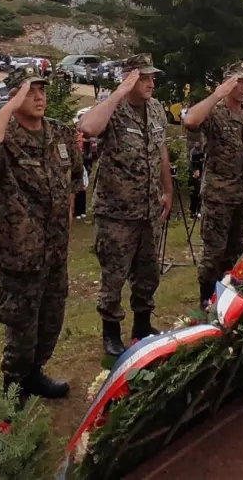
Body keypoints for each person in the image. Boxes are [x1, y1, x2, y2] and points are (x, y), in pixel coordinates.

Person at [0, 65, 82, 405]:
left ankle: (35, 375)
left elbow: (74, 179)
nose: (38, 97)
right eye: (29, 91)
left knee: (51, 321)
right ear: (14, 96)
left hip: (55, 250)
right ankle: (13, 388)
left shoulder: (60, 134)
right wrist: (7, 107)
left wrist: (67, 218)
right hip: (19, 252)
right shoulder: (4, 139)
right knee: (21, 327)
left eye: (41, 91)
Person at [77, 54, 172, 358]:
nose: (151, 83)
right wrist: (118, 92)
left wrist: (167, 189)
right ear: (129, 78)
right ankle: (111, 334)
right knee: (114, 276)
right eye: (144, 78)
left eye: (152, 77)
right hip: (117, 212)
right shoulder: (114, 109)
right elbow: (88, 128)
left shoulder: (156, 109)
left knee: (148, 273)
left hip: (148, 209)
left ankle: (142, 327)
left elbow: (161, 151)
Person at [182, 62, 243, 310]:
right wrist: (216, 94)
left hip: (242, 196)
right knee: (213, 254)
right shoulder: (215, 113)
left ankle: (226, 299)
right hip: (218, 197)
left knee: (235, 252)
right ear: (227, 84)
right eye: (239, 82)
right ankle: (206, 301)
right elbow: (190, 121)